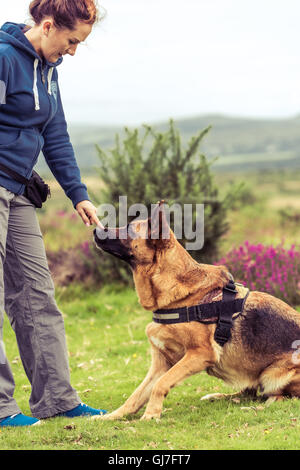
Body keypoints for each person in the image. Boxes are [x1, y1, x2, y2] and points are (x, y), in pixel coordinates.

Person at [0, 0, 107, 427]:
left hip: (19, 190)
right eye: (71, 41)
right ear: (47, 26)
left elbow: (54, 133)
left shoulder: (49, 70)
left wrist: (77, 193)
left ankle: (57, 399)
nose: (73, 51)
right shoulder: (6, 59)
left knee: (36, 294)